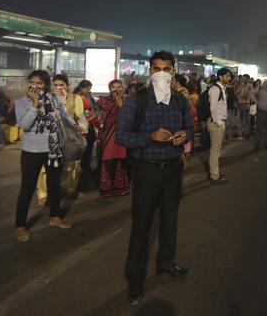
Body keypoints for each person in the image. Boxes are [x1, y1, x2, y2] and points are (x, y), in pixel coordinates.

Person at [116, 51, 193, 306]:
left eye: (167, 69)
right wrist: (150, 137)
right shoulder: (135, 101)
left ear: (173, 71)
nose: (162, 73)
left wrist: (184, 135)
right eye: (157, 68)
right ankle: (135, 282)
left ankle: (166, 263)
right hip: (147, 170)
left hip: (172, 169)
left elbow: (190, 128)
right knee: (141, 227)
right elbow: (122, 137)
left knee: (170, 221)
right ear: (150, 71)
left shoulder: (180, 101)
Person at [14, 70, 75, 242]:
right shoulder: (22, 102)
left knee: (54, 185)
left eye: (39, 83)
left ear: (45, 85)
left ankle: (55, 217)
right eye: (32, 82)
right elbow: (25, 125)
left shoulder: (54, 98)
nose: (35, 86)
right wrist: (35, 105)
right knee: (27, 188)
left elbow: (64, 114)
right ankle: (20, 226)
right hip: (32, 152)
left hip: (53, 149)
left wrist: (76, 126)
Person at [37, 74, 87, 204]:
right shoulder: (46, 98)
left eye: (62, 85)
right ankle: (44, 193)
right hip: (50, 137)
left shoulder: (75, 98)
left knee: (71, 164)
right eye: (56, 85)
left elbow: (79, 117)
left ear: (68, 86)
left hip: (69, 137)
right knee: (46, 166)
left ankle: (70, 189)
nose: (58, 87)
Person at [96, 80, 130, 198]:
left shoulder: (127, 101)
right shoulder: (105, 101)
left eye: (119, 86)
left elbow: (128, 116)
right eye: (113, 87)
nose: (116, 89)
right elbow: (102, 117)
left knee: (121, 161)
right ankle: (107, 188)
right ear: (110, 89)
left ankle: (121, 187)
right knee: (108, 161)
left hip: (122, 134)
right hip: (108, 134)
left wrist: (120, 102)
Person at [207, 68, 231, 185]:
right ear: (220, 76)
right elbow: (213, 108)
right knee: (215, 151)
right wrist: (218, 122)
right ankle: (214, 175)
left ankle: (215, 171)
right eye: (227, 76)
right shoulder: (215, 89)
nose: (229, 78)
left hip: (219, 121)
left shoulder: (221, 88)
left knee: (217, 150)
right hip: (216, 123)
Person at [74, 80, 97, 174]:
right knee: (83, 151)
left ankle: (85, 170)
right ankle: (80, 172)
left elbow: (93, 111)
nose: (89, 91)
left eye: (90, 89)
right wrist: (89, 117)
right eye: (87, 89)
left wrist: (91, 116)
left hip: (88, 126)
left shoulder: (88, 97)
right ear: (81, 88)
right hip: (80, 127)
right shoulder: (75, 97)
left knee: (88, 151)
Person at [235, 74, 253, 139]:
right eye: (242, 78)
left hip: (246, 105)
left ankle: (248, 133)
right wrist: (240, 95)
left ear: (248, 79)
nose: (243, 79)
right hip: (239, 104)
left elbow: (247, 96)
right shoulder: (241, 85)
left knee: (247, 120)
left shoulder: (250, 86)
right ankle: (239, 133)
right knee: (239, 120)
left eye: (244, 78)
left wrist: (240, 95)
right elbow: (236, 93)